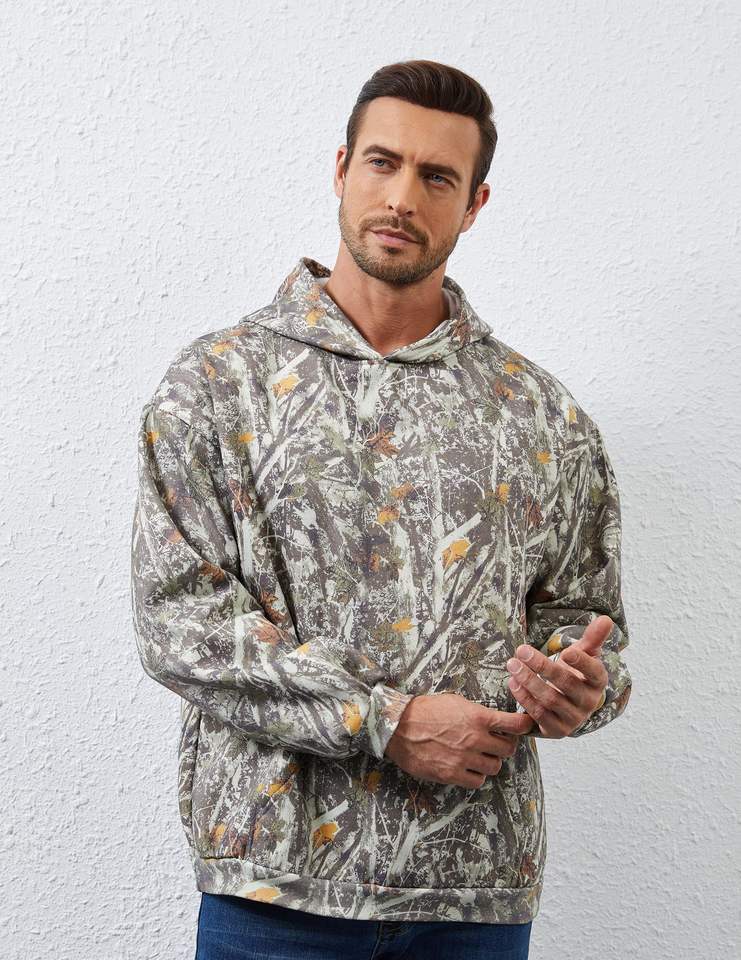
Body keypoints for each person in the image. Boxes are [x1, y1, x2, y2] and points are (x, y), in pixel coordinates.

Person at [130, 59, 632, 960]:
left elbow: (583, 624)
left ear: (473, 204)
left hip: (473, 892)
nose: (401, 197)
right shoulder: (217, 384)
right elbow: (180, 626)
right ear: (340, 169)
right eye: (382, 162)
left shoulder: (542, 415)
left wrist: (579, 688)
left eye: (437, 176)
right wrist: (383, 720)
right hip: (274, 890)